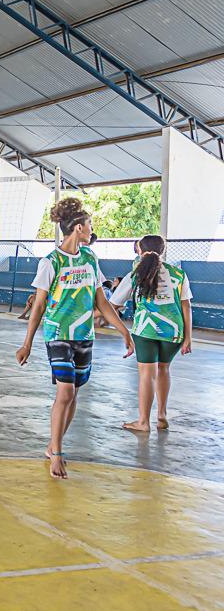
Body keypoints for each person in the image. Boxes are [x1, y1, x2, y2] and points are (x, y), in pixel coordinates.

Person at [16, 198, 133, 480]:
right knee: (65, 392)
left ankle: (53, 444)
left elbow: (101, 301)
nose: (92, 229)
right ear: (79, 228)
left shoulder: (90, 259)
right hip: (58, 334)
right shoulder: (50, 262)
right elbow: (39, 305)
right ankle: (56, 453)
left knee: (74, 394)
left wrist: (123, 330)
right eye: (89, 224)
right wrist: (27, 342)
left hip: (84, 335)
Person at [109, 235, 193, 433]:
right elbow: (186, 305)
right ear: (163, 251)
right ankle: (162, 416)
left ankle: (143, 422)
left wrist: (124, 332)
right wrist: (188, 337)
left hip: (145, 331)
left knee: (147, 374)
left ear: (139, 250)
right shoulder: (178, 274)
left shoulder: (136, 274)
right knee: (164, 369)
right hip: (173, 331)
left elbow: (113, 305)